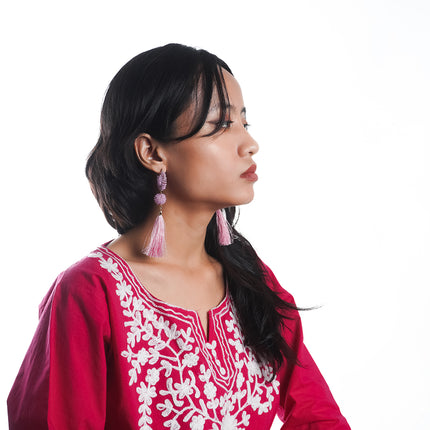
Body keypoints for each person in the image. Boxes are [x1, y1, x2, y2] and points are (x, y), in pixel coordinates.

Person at [7, 43, 350, 429]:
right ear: (152, 152)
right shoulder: (91, 291)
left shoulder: (250, 280)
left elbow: (317, 417)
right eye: (220, 125)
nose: (249, 144)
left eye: (244, 123)